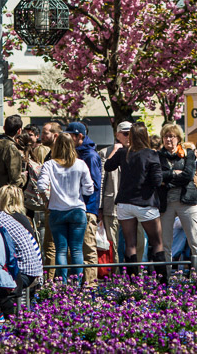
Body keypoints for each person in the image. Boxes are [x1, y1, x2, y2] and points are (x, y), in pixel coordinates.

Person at [104, 122, 166, 280]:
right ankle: (162, 281)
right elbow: (157, 181)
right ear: (145, 136)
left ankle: (132, 281)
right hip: (145, 203)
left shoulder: (123, 153)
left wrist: (117, 149)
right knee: (157, 242)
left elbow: (108, 166)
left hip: (124, 203)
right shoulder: (151, 154)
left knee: (130, 244)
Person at [37, 133, 94, 283]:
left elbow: (41, 186)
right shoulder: (80, 164)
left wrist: (46, 201)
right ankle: (78, 283)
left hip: (57, 211)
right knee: (76, 249)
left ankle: (61, 284)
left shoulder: (49, 164)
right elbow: (89, 189)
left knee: (60, 250)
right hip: (77, 210)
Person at [158, 123, 197, 272]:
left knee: (195, 241)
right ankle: (165, 278)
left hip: (187, 202)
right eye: (166, 136)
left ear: (178, 138)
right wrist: (174, 174)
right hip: (166, 203)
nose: (169, 139)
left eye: (172, 136)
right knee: (165, 243)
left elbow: (188, 175)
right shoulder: (158, 156)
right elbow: (157, 176)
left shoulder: (188, 154)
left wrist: (167, 181)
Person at [65, 121, 102, 285]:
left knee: (88, 247)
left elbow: (95, 185)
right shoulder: (75, 153)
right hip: (74, 208)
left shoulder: (90, 156)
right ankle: (75, 284)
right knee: (72, 249)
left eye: (70, 135)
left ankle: (91, 285)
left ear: (79, 136)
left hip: (87, 208)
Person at [100, 121, 131, 262]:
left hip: (131, 205)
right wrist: (99, 207)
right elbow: (101, 181)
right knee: (113, 244)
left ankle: (137, 274)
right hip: (111, 204)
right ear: (117, 135)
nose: (128, 137)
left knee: (134, 243)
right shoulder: (105, 152)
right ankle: (115, 276)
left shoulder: (137, 153)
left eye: (131, 133)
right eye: (125, 134)